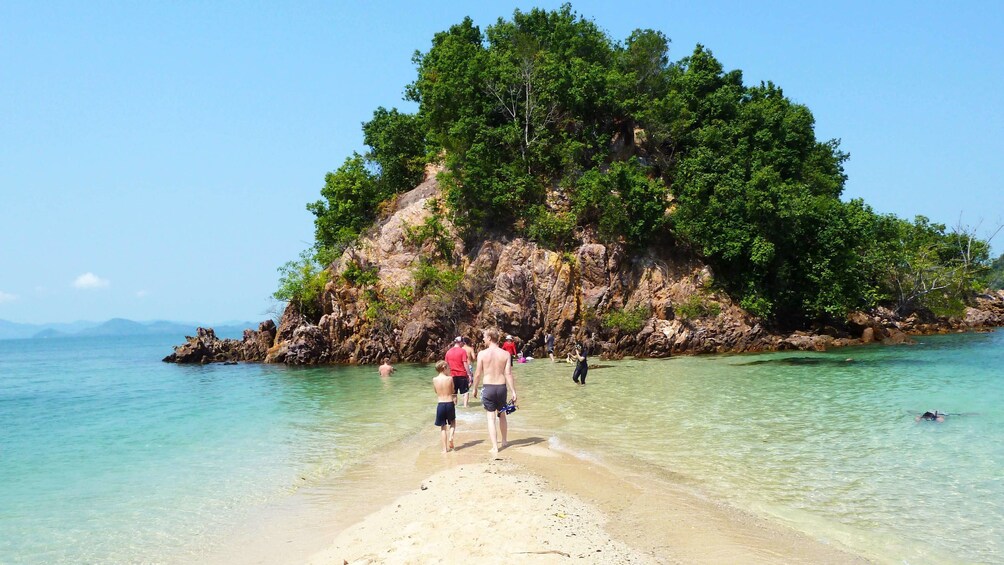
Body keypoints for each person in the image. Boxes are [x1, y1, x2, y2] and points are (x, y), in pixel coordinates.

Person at [472, 328, 518, 458]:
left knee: (490, 417)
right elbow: (508, 373)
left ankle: (494, 447)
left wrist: (475, 388)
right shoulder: (505, 354)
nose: (483, 339)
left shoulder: (482, 354)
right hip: (501, 387)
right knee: (502, 415)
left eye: (484, 337)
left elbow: (478, 374)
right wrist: (513, 391)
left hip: (488, 387)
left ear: (490, 338)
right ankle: (504, 441)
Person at [432, 360, 456, 452]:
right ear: (444, 368)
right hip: (449, 403)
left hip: (440, 404)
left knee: (443, 427)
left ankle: (444, 449)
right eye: (448, 367)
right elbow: (452, 390)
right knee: (453, 422)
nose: (449, 369)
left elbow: (435, 391)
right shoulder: (450, 379)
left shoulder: (434, 379)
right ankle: (451, 437)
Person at [445, 337, 471, 408]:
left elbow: (446, 365)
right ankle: (465, 406)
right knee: (465, 392)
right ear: (460, 342)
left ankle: (454, 407)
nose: (463, 344)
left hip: (452, 375)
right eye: (463, 342)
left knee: (454, 393)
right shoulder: (462, 351)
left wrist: (447, 375)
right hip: (462, 374)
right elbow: (465, 363)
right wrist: (469, 374)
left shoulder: (448, 352)